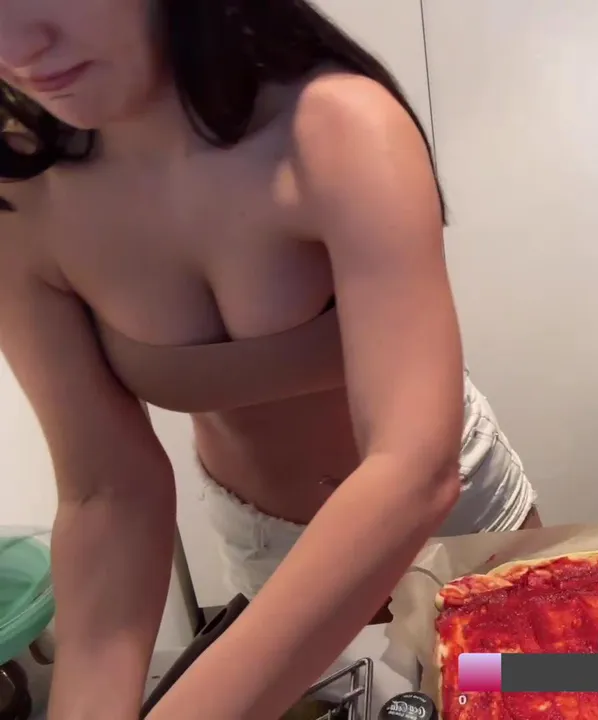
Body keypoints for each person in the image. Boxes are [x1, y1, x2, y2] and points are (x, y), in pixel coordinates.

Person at [0, 0, 539, 716]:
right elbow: (108, 494)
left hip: (459, 519)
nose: (17, 47)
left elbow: (412, 466)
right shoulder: (23, 196)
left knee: (529, 690)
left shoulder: (339, 127)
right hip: (271, 550)